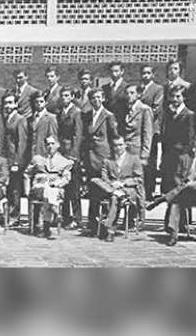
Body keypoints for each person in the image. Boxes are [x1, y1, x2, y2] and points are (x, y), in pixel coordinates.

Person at [146, 130, 196, 246]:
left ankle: (161, 199)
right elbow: (177, 175)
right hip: (185, 192)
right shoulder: (185, 157)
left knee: (181, 192)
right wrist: (184, 184)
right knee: (176, 201)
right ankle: (173, 234)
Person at [90, 136, 144, 242]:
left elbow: (139, 179)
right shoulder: (108, 160)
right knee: (96, 181)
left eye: (120, 145)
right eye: (115, 145)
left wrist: (122, 183)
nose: (118, 148)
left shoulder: (134, 159)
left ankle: (109, 228)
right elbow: (104, 177)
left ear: (125, 145)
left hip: (128, 190)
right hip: (112, 188)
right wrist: (113, 184)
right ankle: (116, 195)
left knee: (114, 197)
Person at [83, 88, 119, 235]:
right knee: (93, 192)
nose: (96, 100)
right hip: (90, 158)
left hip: (103, 159)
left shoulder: (108, 116)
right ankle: (93, 223)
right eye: (93, 98)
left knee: (105, 190)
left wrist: (112, 160)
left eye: (98, 97)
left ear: (103, 98)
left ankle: (107, 223)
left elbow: (114, 137)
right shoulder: (86, 116)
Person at [25, 135, 73, 239]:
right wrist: (27, 190)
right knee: (47, 190)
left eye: (52, 143)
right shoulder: (38, 159)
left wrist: (58, 184)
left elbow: (66, 178)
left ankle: (44, 227)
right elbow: (27, 174)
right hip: (38, 187)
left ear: (58, 145)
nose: (50, 146)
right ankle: (53, 212)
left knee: (49, 191)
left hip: (56, 188)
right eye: (47, 144)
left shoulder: (65, 161)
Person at [57, 86, 83, 229]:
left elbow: (77, 135)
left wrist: (74, 155)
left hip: (72, 155)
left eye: (67, 95)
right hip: (62, 153)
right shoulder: (60, 112)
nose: (64, 98)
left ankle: (77, 219)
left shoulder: (76, 112)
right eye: (62, 95)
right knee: (64, 187)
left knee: (74, 188)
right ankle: (66, 217)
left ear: (72, 96)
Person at [161, 86, 195, 193]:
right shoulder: (169, 114)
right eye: (172, 96)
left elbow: (190, 137)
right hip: (169, 154)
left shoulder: (189, 114)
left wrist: (185, 155)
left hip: (181, 154)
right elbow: (166, 135)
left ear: (184, 97)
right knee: (169, 185)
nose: (175, 99)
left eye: (178, 96)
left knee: (179, 184)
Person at [1, 92, 28, 226]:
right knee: (9, 189)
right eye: (6, 103)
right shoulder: (5, 118)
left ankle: (14, 216)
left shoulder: (20, 119)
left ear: (16, 104)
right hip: (6, 159)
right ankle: (7, 214)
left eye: (11, 102)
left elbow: (21, 142)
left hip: (15, 160)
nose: (8, 105)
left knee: (15, 189)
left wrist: (17, 162)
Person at [139, 65, 164, 201]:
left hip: (151, 130)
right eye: (143, 73)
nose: (145, 75)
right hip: (139, 131)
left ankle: (149, 191)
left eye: (148, 73)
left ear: (153, 75)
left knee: (150, 162)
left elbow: (156, 108)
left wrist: (141, 117)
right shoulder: (139, 89)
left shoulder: (158, 89)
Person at [121, 84, 153, 168]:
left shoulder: (144, 109)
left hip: (137, 150)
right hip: (125, 150)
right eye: (127, 93)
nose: (129, 96)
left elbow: (147, 134)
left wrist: (144, 156)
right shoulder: (125, 109)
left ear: (138, 95)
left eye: (132, 93)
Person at [27, 91, 59, 161]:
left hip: (44, 154)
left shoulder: (51, 118)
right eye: (36, 102)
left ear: (46, 103)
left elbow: (53, 137)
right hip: (30, 154)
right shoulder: (30, 119)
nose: (39, 104)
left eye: (41, 101)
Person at [103, 62, 129, 126]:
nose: (114, 74)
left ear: (122, 71)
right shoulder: (105, 88)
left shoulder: (128, 87)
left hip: (122, 123)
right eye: (111, 71)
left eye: (116, 71)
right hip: (107, 123)